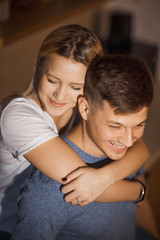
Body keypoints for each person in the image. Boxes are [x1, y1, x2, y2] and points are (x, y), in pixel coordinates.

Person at [0, 24, 150, 239]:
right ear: (39, 69)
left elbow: (139, 147)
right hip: (6, 223)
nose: (60, 96)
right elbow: (86, 185)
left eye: (75, 86)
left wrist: (105, 175)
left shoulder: (83, 108)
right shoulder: (18, 116)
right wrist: (139, 192)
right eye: (52, 80)